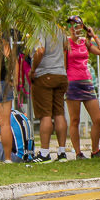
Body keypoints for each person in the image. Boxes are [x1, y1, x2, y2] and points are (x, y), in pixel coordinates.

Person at [64, 16, 100, 159]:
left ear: (81, 27)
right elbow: (64, 65)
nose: (72, 28)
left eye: (75, 25)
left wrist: (93, 35)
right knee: (75, 120)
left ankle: (95, 150)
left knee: (98, 119)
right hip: (72, 83)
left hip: (87, 83)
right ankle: (78, 153)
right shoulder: (66, 43)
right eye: (71, 25)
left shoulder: (85, 42)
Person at [30, 29, 69, 162]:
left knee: (45, 115)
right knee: (59, 113)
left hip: (44, 75)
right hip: (61, 75)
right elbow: (65, 48)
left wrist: (33, 70)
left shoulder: (40, 28)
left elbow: (40, 51)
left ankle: (44, 153)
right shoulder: (60, 30)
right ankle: (62, 152)